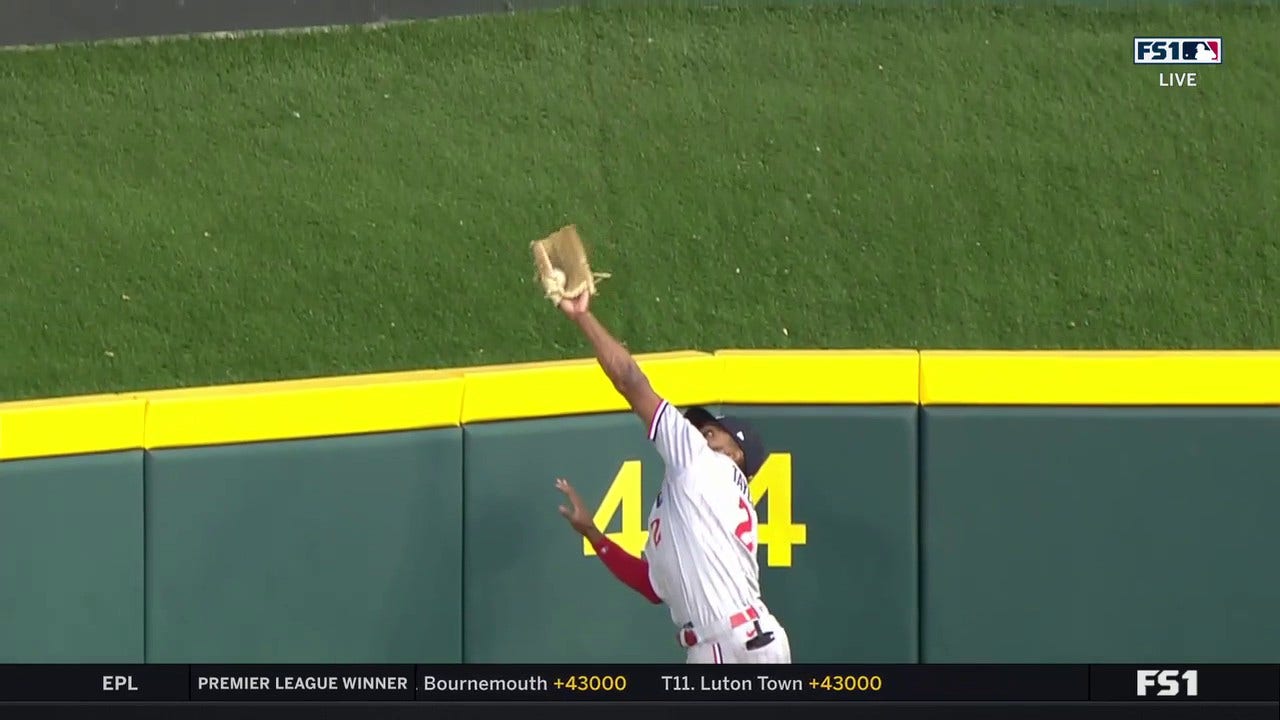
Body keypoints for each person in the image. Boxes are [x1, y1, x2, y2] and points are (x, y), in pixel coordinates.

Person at [551, 290, 792, 664]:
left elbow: (630, 380)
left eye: (711, 432)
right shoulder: (689, 503)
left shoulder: (702, 462)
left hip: (744, 643)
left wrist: (582, 316)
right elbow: (652, 585)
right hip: (724, 645)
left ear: (736, 453)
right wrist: (594, 535)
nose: (700, 435)